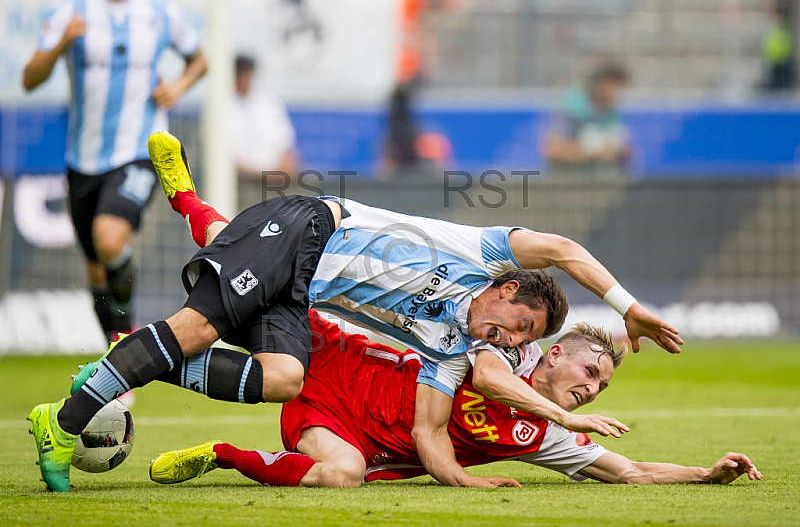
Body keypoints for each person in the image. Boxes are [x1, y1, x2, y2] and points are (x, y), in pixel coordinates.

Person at [28, 131, 682, 492]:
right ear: (512, 291)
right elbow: (564, 248)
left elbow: (434, 427)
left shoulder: (451, 340)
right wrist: (630, 308)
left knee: (280, 371)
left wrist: (462, 481)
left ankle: (174, 232)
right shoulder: (487, 251)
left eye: (526, 340)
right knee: (197, 324)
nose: (513, 340)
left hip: (301, 289)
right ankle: (66, 421)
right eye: (522, 326)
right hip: (311, 222)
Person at [149, 313, 761, 487]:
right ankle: (185, 200)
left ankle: (222, 454)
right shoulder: (509, 351)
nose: (593, 385)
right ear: (553, 353)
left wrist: (706, 475)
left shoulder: (546, 439)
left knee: (342, 476)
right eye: (591, 369)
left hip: (343, 429)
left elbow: (629, 471)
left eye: (602, 385)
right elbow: (492, 382)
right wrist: (566, 413)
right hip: (340, 355)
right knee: (236, 294)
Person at [22, 0, 207, 343]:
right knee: (96, 271)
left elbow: (200, 60)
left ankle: (130, 344)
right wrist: (63, 42)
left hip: (138, 151)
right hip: (83, 161)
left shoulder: (159, 14)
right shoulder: (72, 12)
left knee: (108, 238)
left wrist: (177, 87)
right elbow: (30, 79)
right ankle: (115, 349)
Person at [542, 62, 630, 177]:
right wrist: (593, 153)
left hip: (598, 187)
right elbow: (552, 149)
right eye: (612, 87)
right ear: (600, 84)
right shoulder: (574, 106)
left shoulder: (611, 113)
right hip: (569, 185)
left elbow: (626, 149)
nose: (616, 93)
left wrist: (620, 153)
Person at [232, 55, 298, 181]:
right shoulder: (221, 107)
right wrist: (264, 176)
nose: (245, 78)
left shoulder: (269, 103)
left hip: (275, 181)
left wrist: (282, 174)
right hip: (244, 182)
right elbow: (227, 160)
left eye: (248, 72)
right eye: (241, 72)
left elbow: (287, 148)